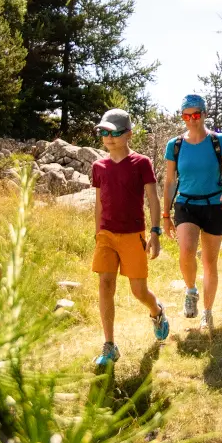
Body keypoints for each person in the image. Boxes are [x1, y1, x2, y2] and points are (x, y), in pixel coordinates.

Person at [89, 108, 169, 368]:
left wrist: (155, 232)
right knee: (105, 285)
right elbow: (99, 202)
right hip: (106, 235)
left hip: (133, 234)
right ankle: (110, 345)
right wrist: (97, 231)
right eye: (104, 132)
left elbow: (153, 200)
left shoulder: (141, 163)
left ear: (129, 134)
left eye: (114, 133)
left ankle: (156, 311)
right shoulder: (98, 166)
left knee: (138, 290)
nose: (109, 138)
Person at [162, 93, 222, 330]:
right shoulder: (174, 145)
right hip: (186, 204)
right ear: (182, 117)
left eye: (196, 114)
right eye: (187, 115)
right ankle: (191, 290)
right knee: (186, 251)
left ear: (204, 114)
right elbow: (170, 181)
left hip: (215, 204)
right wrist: (165, 214)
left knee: (209, 262)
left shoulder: (219, 140)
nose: (192, 119)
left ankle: (207, 311)